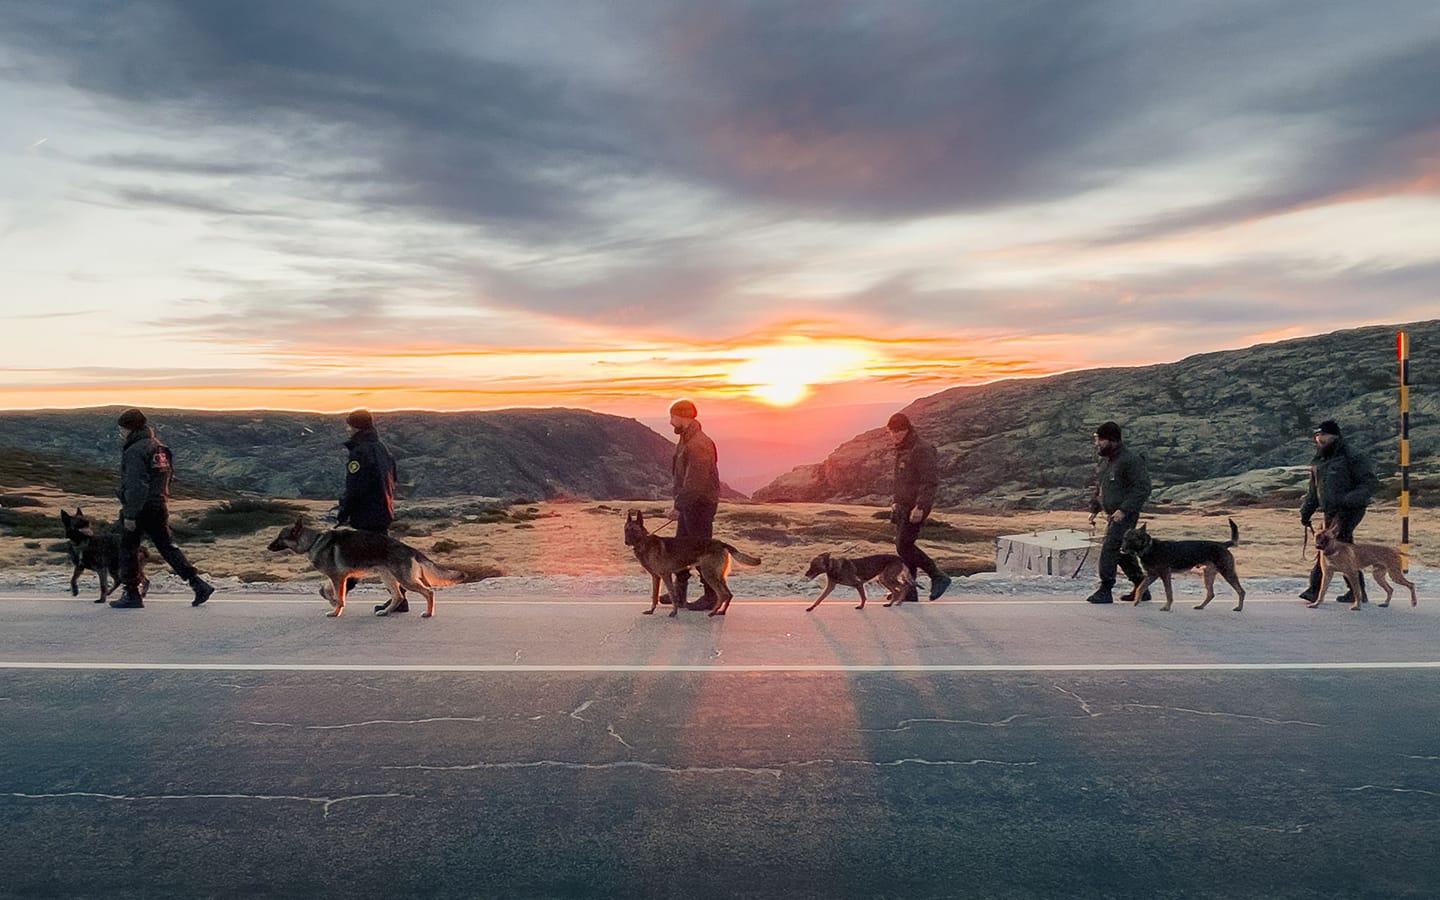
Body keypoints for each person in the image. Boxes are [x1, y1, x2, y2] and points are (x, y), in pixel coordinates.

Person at [110, 408, 214, 609]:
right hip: (159, 504)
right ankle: (197, 583)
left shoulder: (135, 451)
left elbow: (136, 485)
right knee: (167, 546)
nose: (121, 433)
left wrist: (130, 514)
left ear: (128, 428)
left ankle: (132, 593)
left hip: (141, 508)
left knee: (128, 549)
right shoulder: (159, 447)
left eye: (121, 429)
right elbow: (167, 476)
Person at [1299, 419, 1380, 604]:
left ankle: (1316, 590)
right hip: (1330, 509)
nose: (1319, 438)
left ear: (1334, 436)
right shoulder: (1320, 459)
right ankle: (1355, 591)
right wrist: (1306, 512)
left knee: (1331, 544)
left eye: (1323, 435)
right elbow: (1314, 490)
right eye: (1317, 435)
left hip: (1350, 509)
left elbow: (1370, 483)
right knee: (1336, 547)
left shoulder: (1352, 455)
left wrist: (1350, 499)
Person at [336, 409, 404, 612]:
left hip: (366, 512)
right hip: (383, 509)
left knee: (359, 557)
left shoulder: (360, 451)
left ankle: (337, 594)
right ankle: (399, 598)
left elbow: (355, 486)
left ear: (354, 426)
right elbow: (394, 477)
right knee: (380, 556)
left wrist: (344, 511)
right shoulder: (381, 448)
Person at [886, 413, 952, 603]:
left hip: (915, 506)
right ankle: (910, 592)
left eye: (895, 432)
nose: (893, 436)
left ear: (904, 430)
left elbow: (929, 482)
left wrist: (920, 506)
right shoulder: (903, 448)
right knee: (903, 548)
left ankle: (938, 576)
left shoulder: (921, 449)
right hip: (903, 505)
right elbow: (902, 480)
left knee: (904, 546)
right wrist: (896, 502)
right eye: (891, 432)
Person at [1084, 421, 1151, 604]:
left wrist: (1124, 509)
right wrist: (1095, 509)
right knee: (1122, 552)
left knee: (1110, 547)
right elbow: (1101, 489)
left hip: (1124, 515)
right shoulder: (1107, 463)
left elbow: (1142, 488)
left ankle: (1105, 590)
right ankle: (1141, 587)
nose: (1097, 444)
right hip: (1112, 514)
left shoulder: (1130, 460)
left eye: (1101, 440)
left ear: (1113, 440)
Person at [665, 399, 721, 610]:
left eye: (672, 417)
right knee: (679, 549)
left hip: (700, 505)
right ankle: (678, 595)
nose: (671, 423)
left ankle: (711, 596)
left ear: (682, 417)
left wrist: (678, 506)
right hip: (691, 504)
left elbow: (695, 481)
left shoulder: (698, 443)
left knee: (701, 551)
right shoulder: (687, 439)